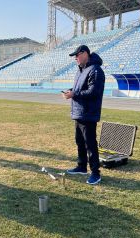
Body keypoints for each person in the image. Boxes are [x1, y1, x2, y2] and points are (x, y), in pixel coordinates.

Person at [62, 45, 105, 185]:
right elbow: (79, 89)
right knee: (80, 142)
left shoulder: (96, 70)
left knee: (90, 144)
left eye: (77, 55)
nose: (75, 58)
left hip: (89, 114)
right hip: (79, 113)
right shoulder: (80, 71)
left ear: (85, 53)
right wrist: (70, 91)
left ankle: (95, 173)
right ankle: (82, 166)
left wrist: (74, 94)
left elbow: (93, 92)